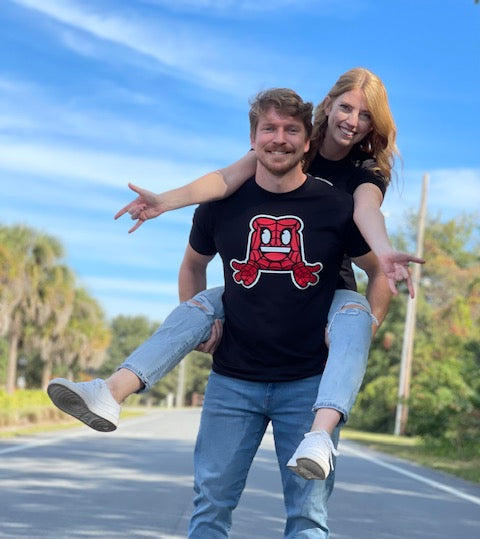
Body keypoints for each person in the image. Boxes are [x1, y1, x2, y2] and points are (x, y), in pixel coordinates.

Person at [47, 68, 421, 480]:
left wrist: (384, 254)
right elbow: (225, 179)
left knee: (354, 314)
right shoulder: (292, 138)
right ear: (328, 105)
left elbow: (367, 210)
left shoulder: (365, 170)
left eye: (366, 116)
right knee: (200, 304)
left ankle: (319, 436)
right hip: (255, 287)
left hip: (322, 292)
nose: (352, 120)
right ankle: (110, 392)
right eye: (347, 107)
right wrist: (164, 202)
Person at [155, 87, 389, 539]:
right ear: (254, 137)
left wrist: (363, 330)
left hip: (308, 378)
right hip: (233, 379)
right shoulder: (228, 199)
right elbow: (193, 264)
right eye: (269, 130)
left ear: (307, 140)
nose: (279, 139)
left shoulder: (342, 198)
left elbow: (377, 261)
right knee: (211, 501)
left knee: (308, 511)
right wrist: (198, 322)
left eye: (290, 131)